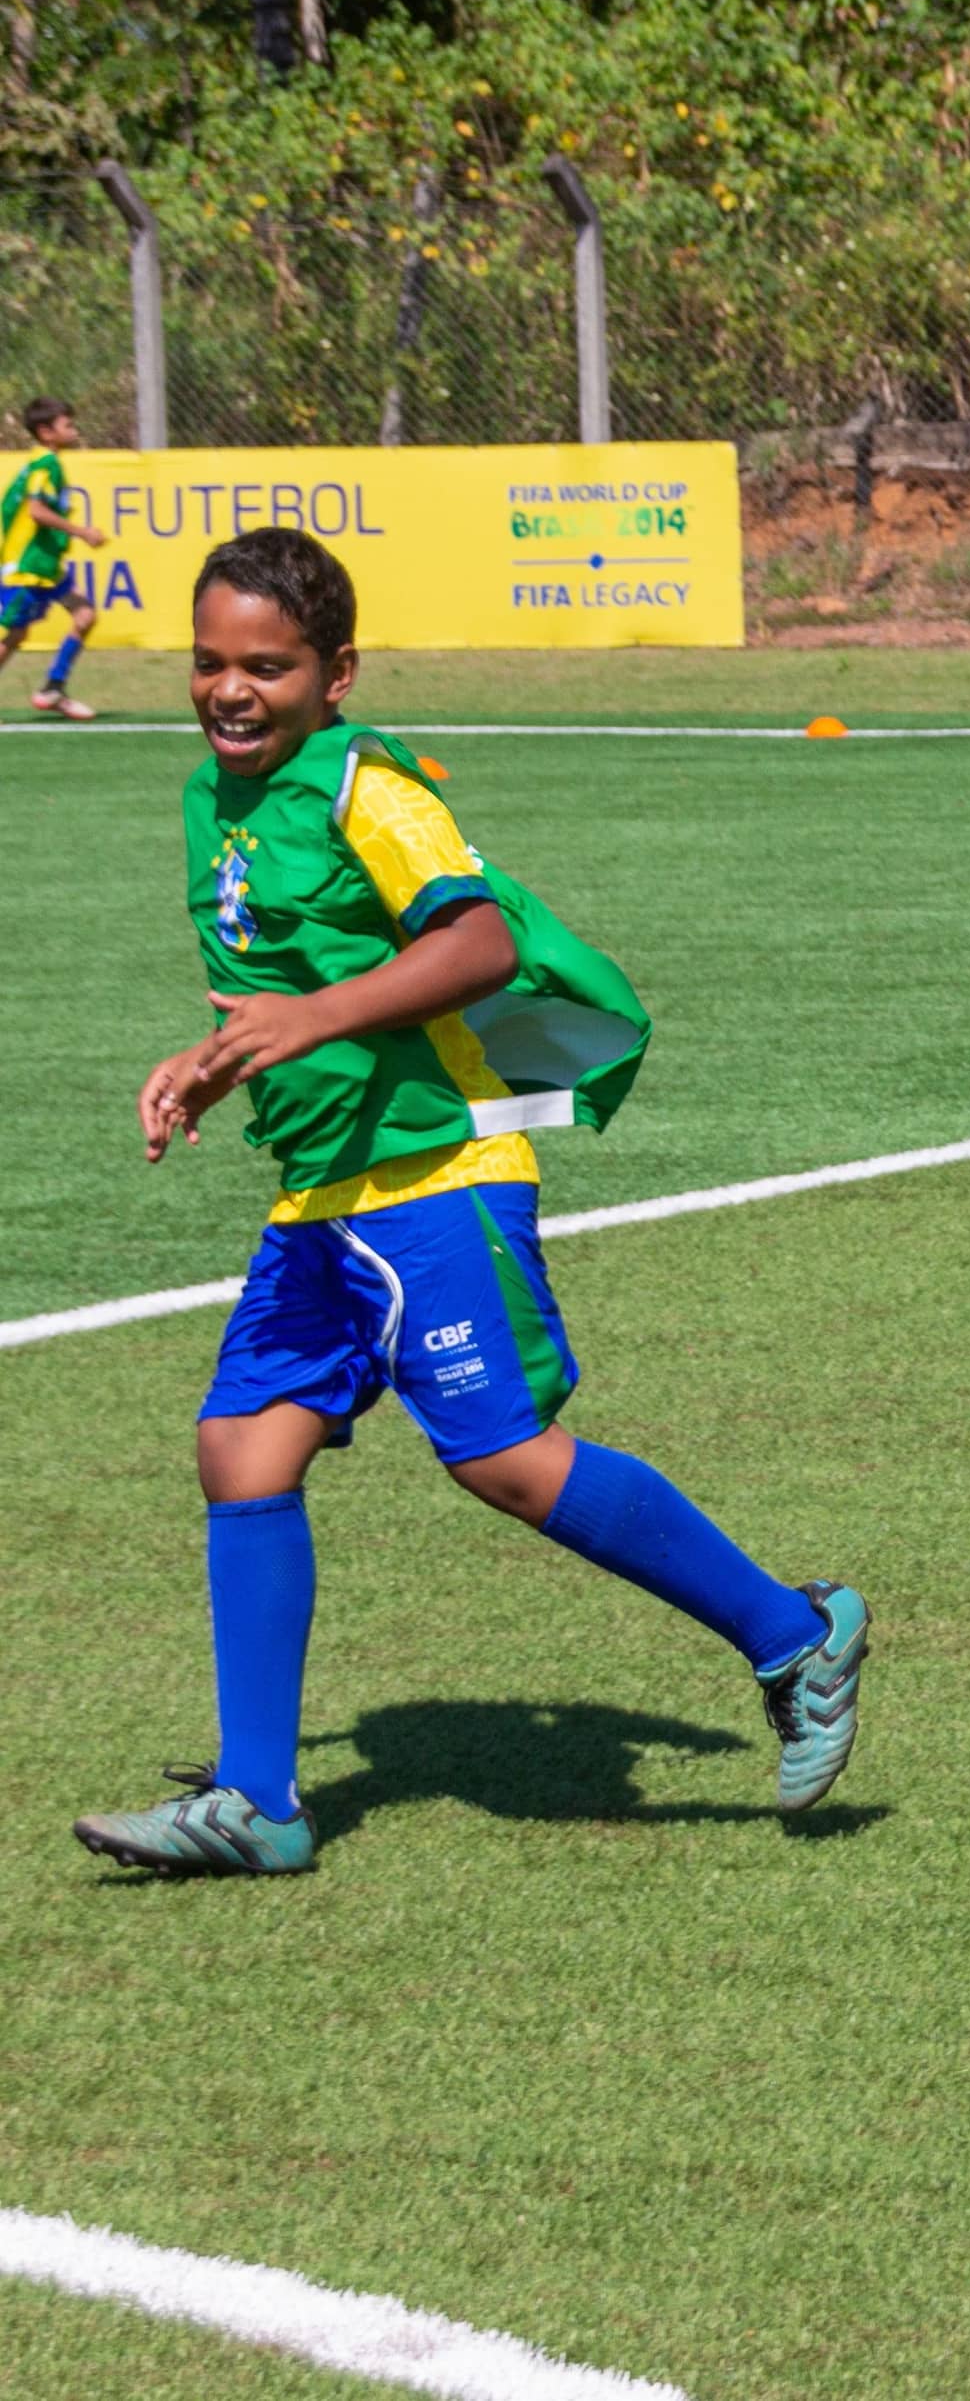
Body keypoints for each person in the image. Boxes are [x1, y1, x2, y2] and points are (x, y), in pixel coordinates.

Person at [72, 529, 871, 1878]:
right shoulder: (214, 799)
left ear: (337, 671)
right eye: (208, 660)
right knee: (241, 1453)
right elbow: (273, 997)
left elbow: (477, 939)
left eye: (267, 665)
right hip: (320, 1191)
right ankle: (259, 1802)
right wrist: (214, 1067)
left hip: (435, 1175)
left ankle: (796, 1632)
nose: (230, 688)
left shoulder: (367, 789)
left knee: (499, 1457)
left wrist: (313, 1015)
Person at [1, 395, 107, 720]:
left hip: (46, 566)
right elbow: (36, 511)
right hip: (28, 568)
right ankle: (53, 687)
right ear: (46, 432)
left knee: (84, 614)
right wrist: (81, 532)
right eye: (67, 425)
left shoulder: (44, 463)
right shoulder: (46, 464)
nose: (73, 430)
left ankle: (53, 687)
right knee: (15, 635)